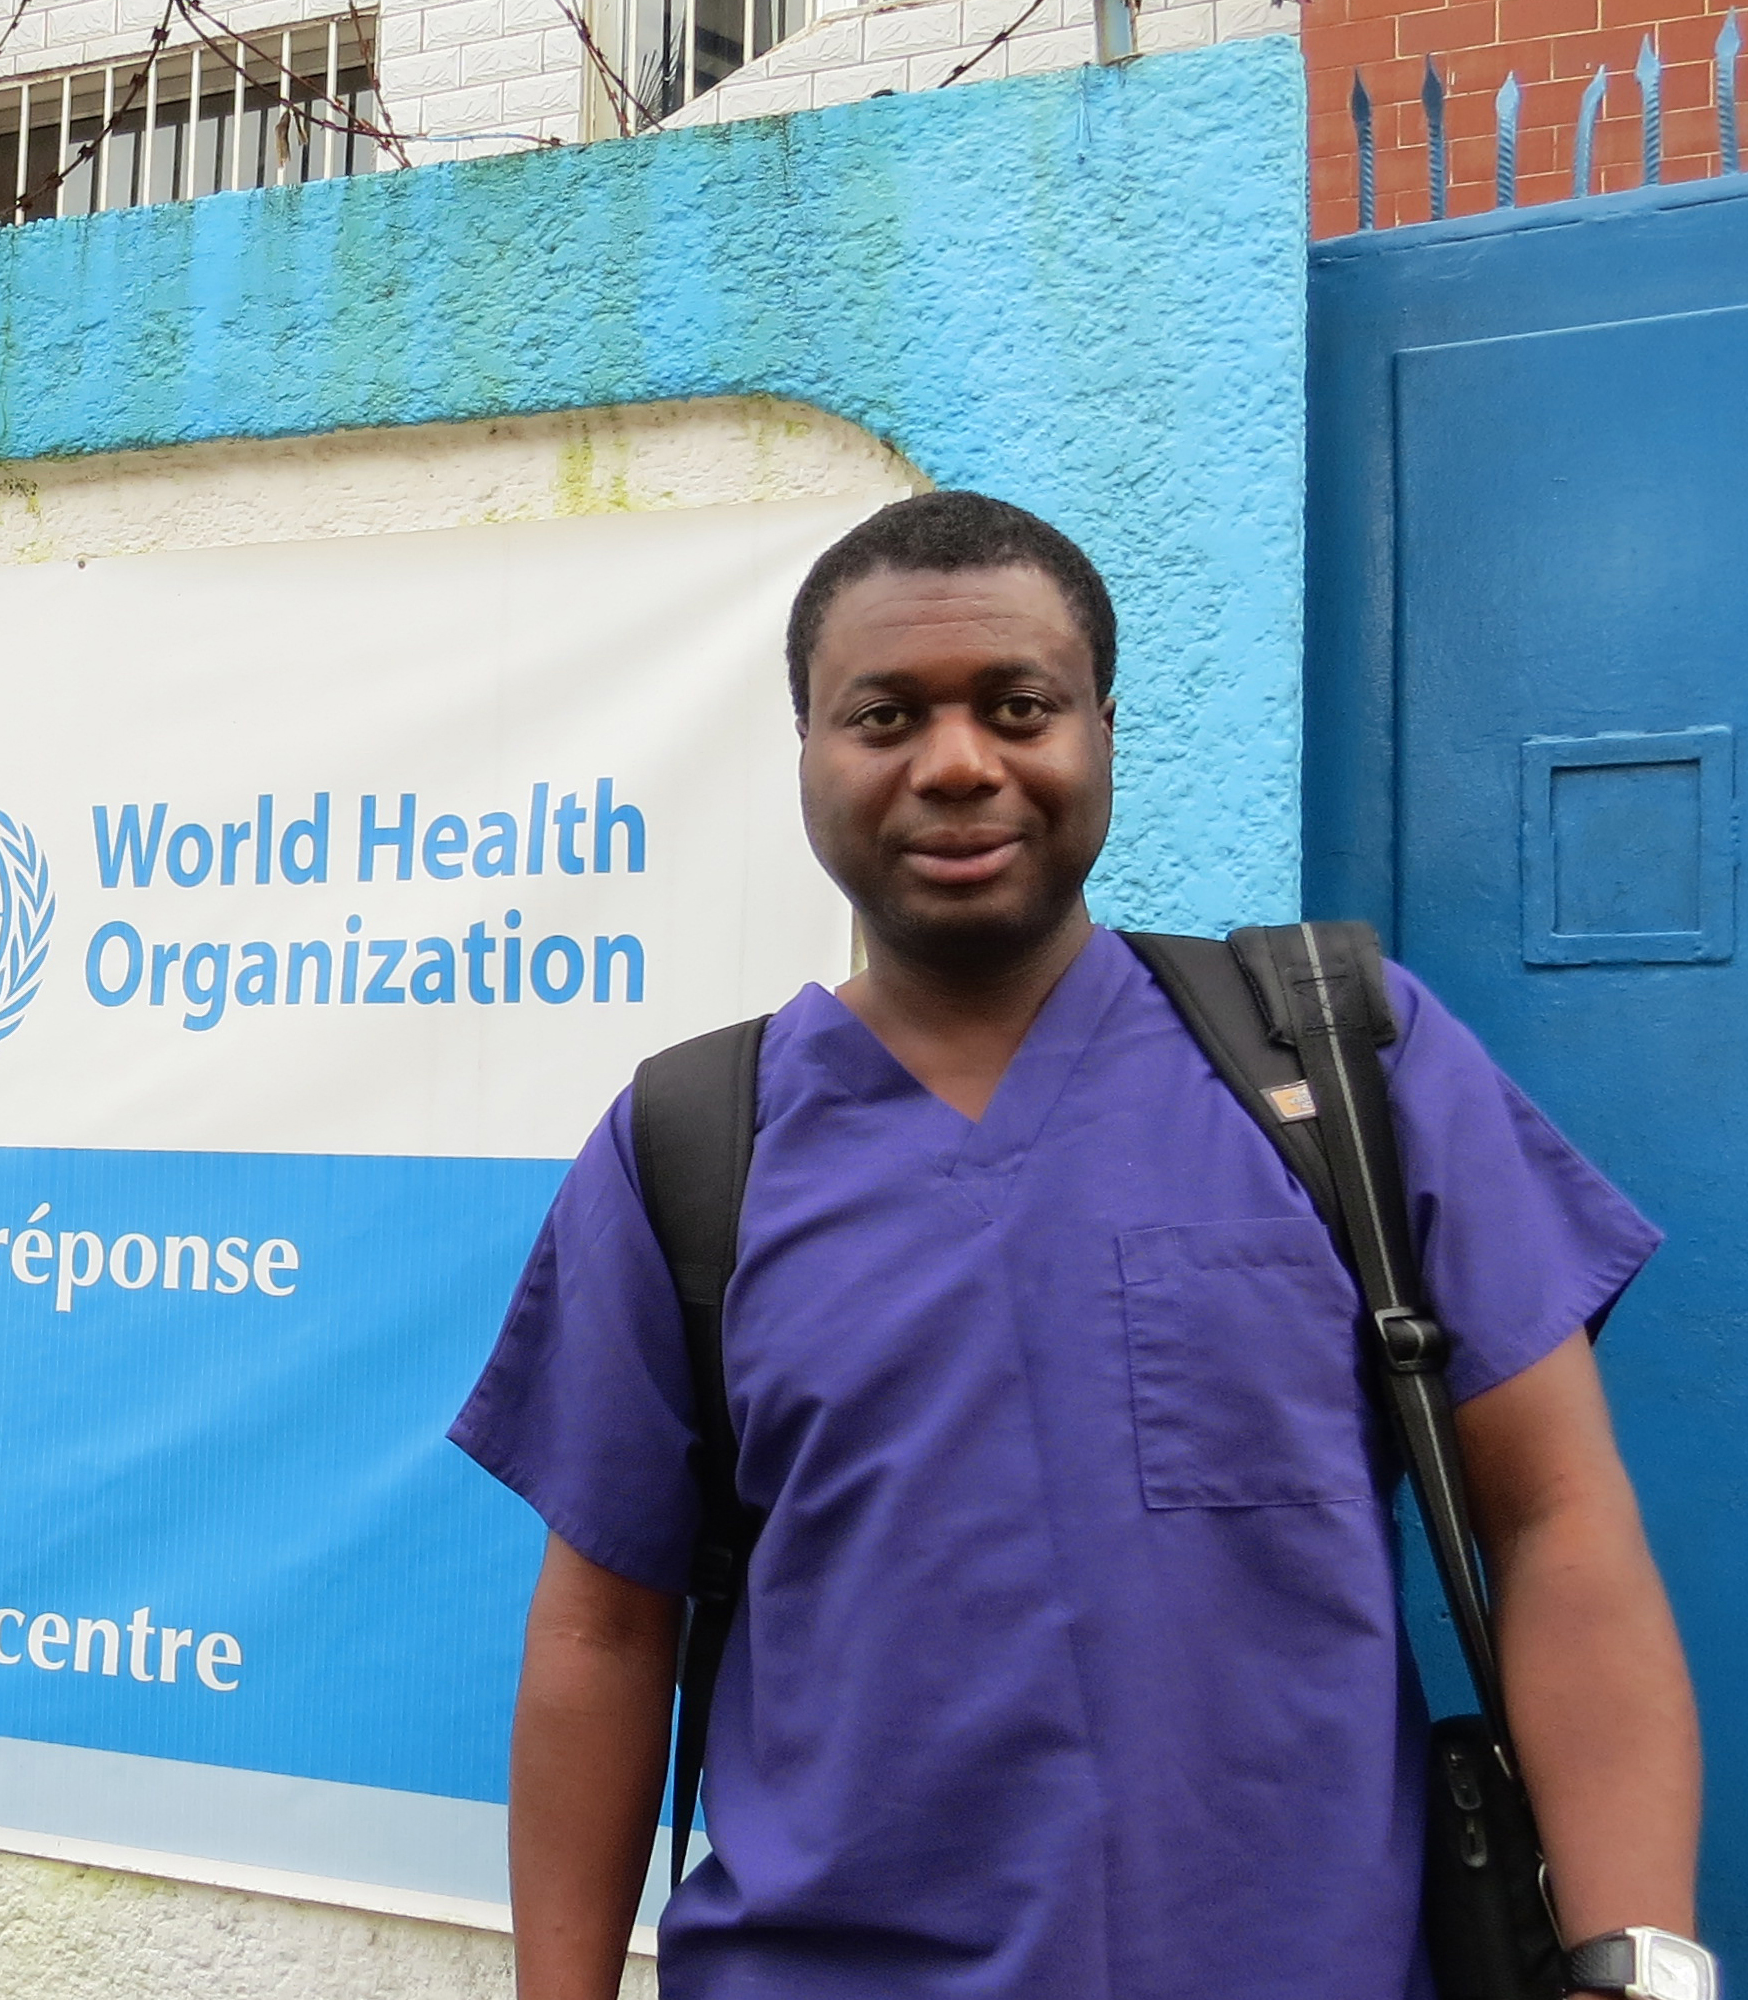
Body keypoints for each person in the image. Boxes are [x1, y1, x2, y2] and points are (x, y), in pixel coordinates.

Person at [449, 491, 1703, 2000]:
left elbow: (1556, 1518)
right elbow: (602, 1630)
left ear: (1102, 728)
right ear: (806, 754)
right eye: (885, 714)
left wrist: (1639, 1958)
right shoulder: (690, 1147)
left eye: (1019, 706)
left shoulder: (1348, 1068)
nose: (960, 762)